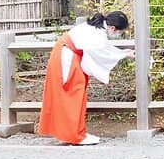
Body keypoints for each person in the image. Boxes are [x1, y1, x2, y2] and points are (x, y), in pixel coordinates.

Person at [37, 11, 134, 145]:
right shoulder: (98, 34)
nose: (118, 34)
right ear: (112, 28)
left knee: (74, 95)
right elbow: (103, 53)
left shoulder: (96, 28)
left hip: (68, 55)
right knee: (72, 95)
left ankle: (76, 132)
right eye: (119, 31)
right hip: (68, 58)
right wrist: (123, 55)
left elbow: (104, 49)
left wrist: (122, 53)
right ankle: (75, 135)